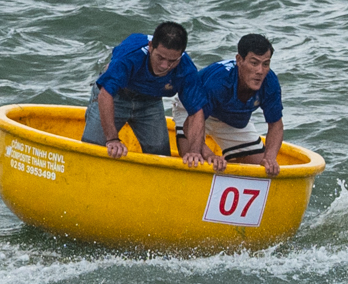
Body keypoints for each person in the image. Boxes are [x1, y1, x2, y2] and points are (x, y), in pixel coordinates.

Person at [84, 22, 197, 158]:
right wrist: (112, 139)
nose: (164, 66)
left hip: (150, 102)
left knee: (160, 152)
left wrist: (195, 151)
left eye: (172, 61)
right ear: (150, 47)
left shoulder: (186, 67)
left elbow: (196, 111)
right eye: (160, 57)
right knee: (92, 147)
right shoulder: (130, 55)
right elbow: (105, 94)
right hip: (116, 96)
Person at [179, 33, 283, 176]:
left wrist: (270, 158)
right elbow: (188, 124)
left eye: (265, 64)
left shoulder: (270, 82)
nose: (260, 71)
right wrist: (210, 156)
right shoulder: (218, 83)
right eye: (254, 63)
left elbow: (276, 125)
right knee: (192, 158)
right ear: (239, 60)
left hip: (230, 117)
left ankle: (231, 158)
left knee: (261, 169)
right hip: (193, 111)